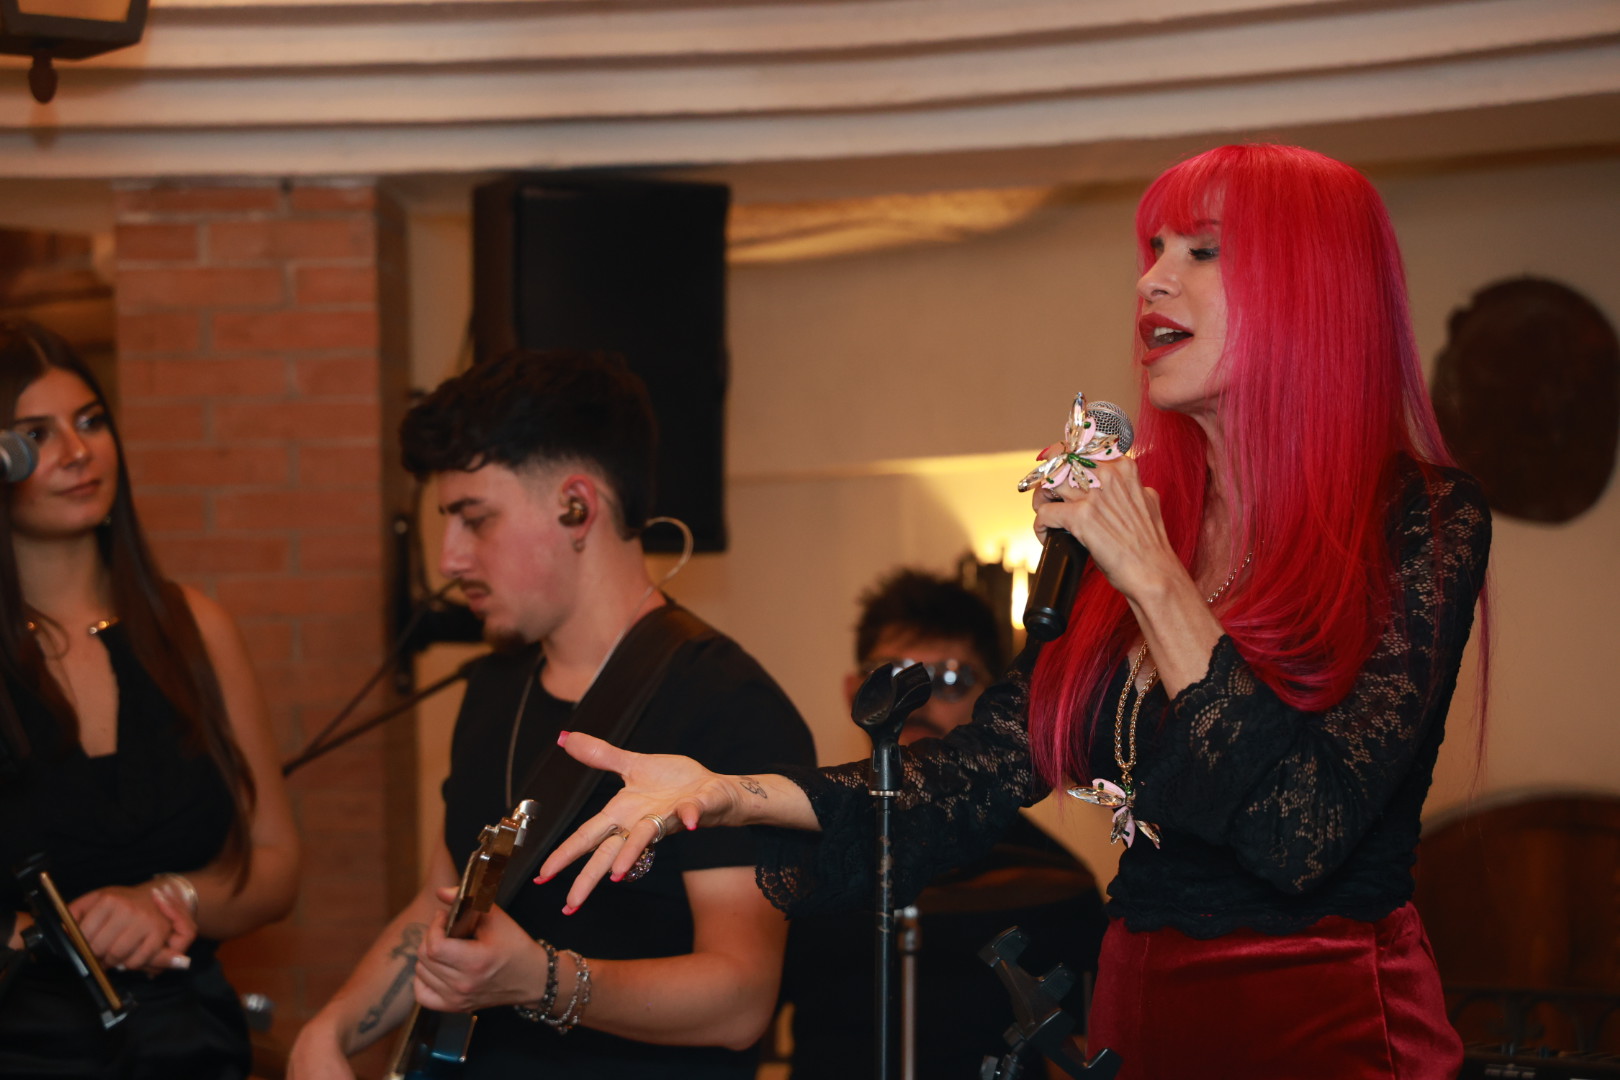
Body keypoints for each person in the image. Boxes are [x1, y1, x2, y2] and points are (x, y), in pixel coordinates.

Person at [535, 144, 1493, 1080]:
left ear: (1310, 289)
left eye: (1201, 251)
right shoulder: (1138, 526)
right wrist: (725, 792)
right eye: (1153, 250)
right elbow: (980, 771)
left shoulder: (1420, 520)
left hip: (1323, 1020)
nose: (1152, 281)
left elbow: (1303, 832)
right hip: (1143, 1012)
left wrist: (1151, 574)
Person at [288, 349, 815, 1080]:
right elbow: (445, 904)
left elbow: (741, 998)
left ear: (577, 506)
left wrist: (541, 979)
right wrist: (329, 1032)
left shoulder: (727, 704)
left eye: (475, 520)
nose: (449, 560)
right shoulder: (492, 686)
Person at [0, 319, 300, 1078]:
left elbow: (275, 864)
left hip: (193, 1043)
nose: (78, 452)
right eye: (36, 435)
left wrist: (171, 898)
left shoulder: (194, 627)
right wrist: (50, 936)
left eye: (91, 422)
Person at [780, 568, 1106, 1079]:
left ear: (996, 700)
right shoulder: (795, 864)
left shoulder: (1054, 880)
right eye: (892, 675)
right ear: (854, 692)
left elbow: (1081, 1053)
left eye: (951, 679)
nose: (918, 702)